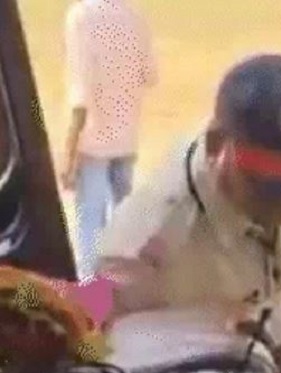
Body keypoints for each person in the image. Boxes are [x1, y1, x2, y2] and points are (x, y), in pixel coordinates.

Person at [96, 54, 281, 349]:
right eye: (268, 187)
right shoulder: (149, 237)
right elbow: (93, 329)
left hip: (276, 353)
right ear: (216, 145)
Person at [61, 0, 158, 280]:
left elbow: (80, 95)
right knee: (123, 225)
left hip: (92, 141)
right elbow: (150, 76)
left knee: (90, 225)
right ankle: (119, 288)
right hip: (126, 138)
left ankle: (91, 294)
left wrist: (69, 153)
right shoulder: (135, 17)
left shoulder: (81, 17)